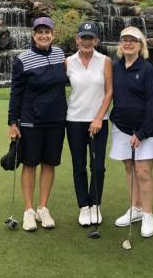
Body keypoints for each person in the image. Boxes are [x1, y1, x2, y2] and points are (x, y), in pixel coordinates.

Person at [7, 17, 67, 231]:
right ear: (33, 35)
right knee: (30, 164)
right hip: (31, 121)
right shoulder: (23, 59)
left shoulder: (60, 55)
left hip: (57, 120)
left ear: (53, 34)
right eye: (39, 32)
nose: (44, 35)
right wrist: (12, 122)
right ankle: (29, 211)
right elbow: (16, 92)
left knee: (49, 163)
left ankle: (43, 207)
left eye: (47, 32)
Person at [109, 25, 153, 237]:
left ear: (140, 45)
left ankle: (148, 214)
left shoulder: (147, 69)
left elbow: (152, 103)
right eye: (125, 39)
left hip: (144, 130)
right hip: (121, 127)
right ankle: (135, 208)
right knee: (129, 168)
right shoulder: (116, 67)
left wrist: (141, 133)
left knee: (143, 171)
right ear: (121, 44)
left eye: (133, 40)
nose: (128, 43)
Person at [66, 21, 113, 226]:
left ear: (96, 41)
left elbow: (110, 91)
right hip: (74, 120)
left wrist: (98, 118)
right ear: (77, 39)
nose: (86, 42)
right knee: (79, 166)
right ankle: (84, 206)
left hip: (99, 122)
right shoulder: (68, 62)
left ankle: (95, 204)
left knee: (98, 166)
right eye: (83, 38)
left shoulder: (105, 61)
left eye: (90, 38)